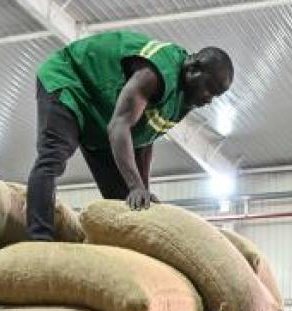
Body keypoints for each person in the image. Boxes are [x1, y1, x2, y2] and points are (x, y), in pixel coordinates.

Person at [27, 31, 234, 239]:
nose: (209, 99)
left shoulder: (185, 98)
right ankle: (40, 238)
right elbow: (119, 126)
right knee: (52, 158)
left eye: (216, 95)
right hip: (70, 80)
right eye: (209, 88)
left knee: (127, 203)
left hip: (102, 113)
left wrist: (141, 189)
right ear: (193, 68)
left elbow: (144, 137)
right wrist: (135, 185)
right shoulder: (155, 73)